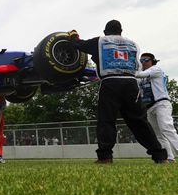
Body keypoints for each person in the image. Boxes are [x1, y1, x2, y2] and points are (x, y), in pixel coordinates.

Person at [69, 20, 167, 163]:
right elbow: (137, 66)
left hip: (110, 82)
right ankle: (160, 156)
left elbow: (79, 45)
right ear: (121, 31)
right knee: (139, 121)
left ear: (105, 32)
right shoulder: (133, 44)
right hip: (131, 84)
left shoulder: (100, 41)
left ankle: (105, 157)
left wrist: (73, 35)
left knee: (106, 121)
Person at [137, 53, 178, 164]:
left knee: (166, 129)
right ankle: (168, 157)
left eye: (146, 60)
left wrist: (127, 71)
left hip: (161, 103)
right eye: (141, 60)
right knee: (158, 134)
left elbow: (138, 75)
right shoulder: (143, 75)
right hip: (149, 107)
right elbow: (134, 80)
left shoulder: (156, 69)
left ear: (152, 61)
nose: (143, 62)